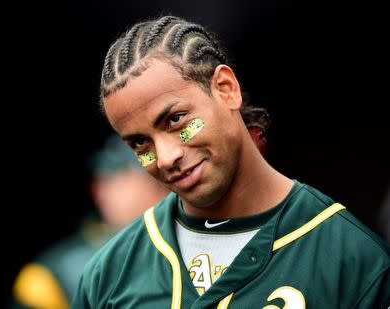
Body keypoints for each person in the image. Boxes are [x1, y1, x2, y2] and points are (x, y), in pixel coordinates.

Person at [71, 15, 390, 309]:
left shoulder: (353, 260)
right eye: (140, 143)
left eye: (176, 120)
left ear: (226, 89)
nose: (166, 157)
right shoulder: (108, 276)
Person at [8, 134, 170, 309]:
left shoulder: (190, 241)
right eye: (103, 179)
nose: (105, 189)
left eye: (122, 175)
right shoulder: (54, 271)